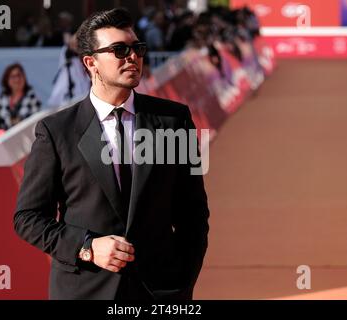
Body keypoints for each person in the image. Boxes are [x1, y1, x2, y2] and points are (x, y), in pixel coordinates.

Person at [14, 8, 209, 300]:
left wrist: (182, 284)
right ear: (91, 63)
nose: (132, 56)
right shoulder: (57, 131)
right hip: (85, 290)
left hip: (160, 292)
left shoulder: (174, 119)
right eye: (119, 50)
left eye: (137, 48)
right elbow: (28, 218)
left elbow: (192, 213)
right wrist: (87, 246)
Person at [0, 63, 42, 130]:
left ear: (24, 78)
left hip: (26, 138)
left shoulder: (32, 97)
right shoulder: (2, 98)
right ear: (7, 80)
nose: (17, 79)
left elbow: (37, 123)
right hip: (4, 138)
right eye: (13, 76)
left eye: (19, 75)